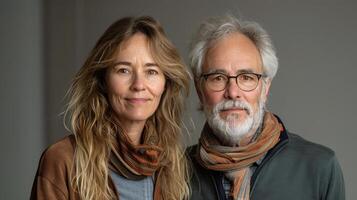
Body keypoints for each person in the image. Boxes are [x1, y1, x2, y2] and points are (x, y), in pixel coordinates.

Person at [31, 16, 190, 200]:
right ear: (103, 80)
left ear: (165, 84)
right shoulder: (63, 159)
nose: (139, 85)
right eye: (124, 70)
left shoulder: (171, 165)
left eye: (151, 71)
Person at [188, 14, 345, 200]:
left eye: (246, 77)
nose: (232, 92)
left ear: (265, 88)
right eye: (218, 78)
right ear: (199, 90)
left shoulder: (319, 168)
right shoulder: (176, 172)